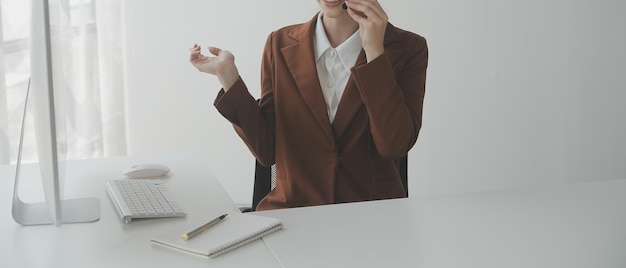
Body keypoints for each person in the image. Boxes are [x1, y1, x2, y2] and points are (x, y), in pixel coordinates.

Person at [189, 0, 428, 210]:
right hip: (294, 215)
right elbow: (266, 150)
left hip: (372, 220)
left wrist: (375, 52)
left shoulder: (408, 48)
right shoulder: (278, 43)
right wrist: (227, 76)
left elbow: (394, 145)